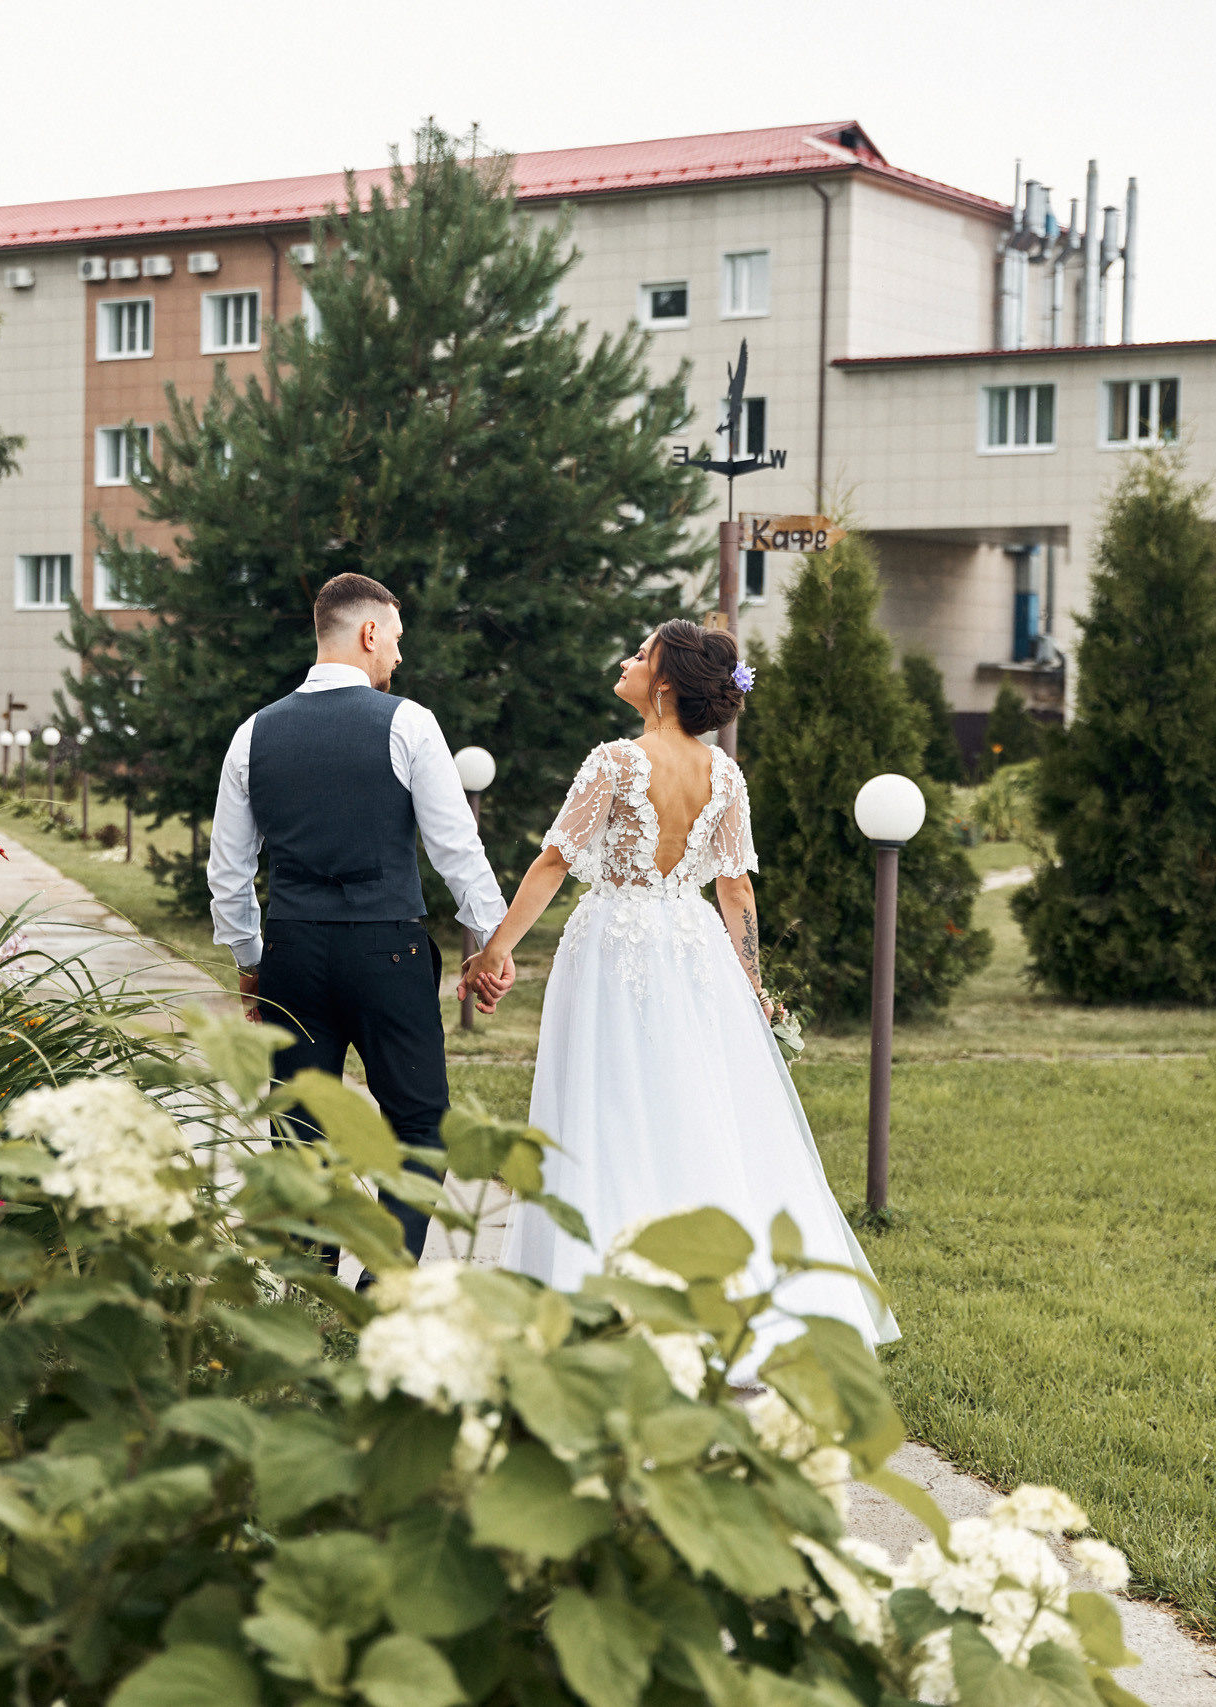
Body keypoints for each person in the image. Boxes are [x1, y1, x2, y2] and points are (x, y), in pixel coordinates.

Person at [462, 621, 898, 1354]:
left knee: (604, 1107)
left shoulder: (614, 761)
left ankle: (599, 1295)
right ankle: (712, 1294)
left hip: (611, 948)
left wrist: (494, 951)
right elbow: (736, 889)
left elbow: (554, 863)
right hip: (693, 950)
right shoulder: (725, 775)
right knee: (690, 1105)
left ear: (663, 682)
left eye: (640, 654)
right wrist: (752, 986)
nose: (626, 660)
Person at [208, 572, 513, 1258]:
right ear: (369, 632)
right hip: (387, 955)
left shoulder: (253, 734)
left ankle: (311, 1284)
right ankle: (386, 1277)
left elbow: (228, 873)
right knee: (418, 1126)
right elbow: (456, 848)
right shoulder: (408, 723)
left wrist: (251, 963)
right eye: (396, 640)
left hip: (292, 956)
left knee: (300, 1130)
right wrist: (490, 944)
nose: (398, 656)